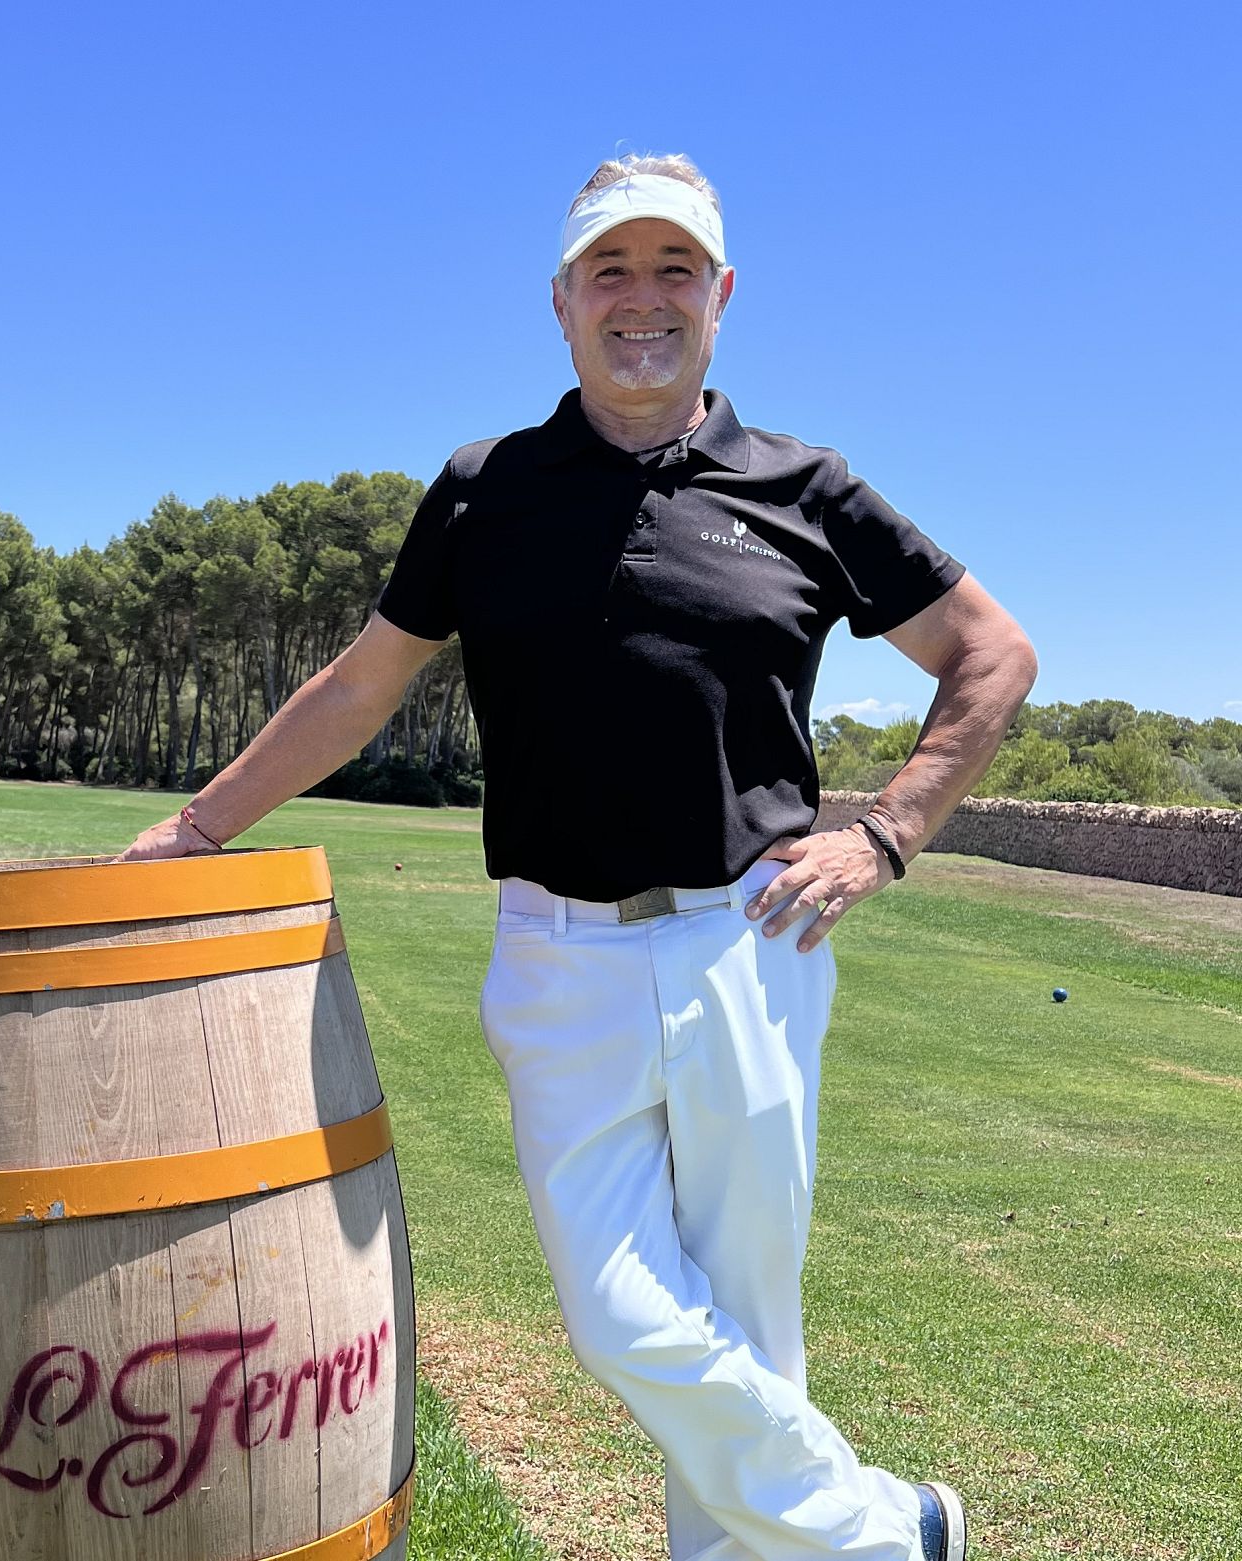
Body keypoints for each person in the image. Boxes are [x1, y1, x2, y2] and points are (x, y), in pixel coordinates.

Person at [121, 152, 1035, 1561]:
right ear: (560, 302)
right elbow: (361, 687)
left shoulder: (804, 487)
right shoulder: (488, 491)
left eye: (676, 269)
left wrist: (887, 829)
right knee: (620, 1314)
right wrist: (198, 825)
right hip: (556, 955)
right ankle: (882, 1530)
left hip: (752, 938)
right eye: (611, 270)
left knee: (743, 1317)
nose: (643, 300)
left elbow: (990, 650)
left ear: (722, 297)